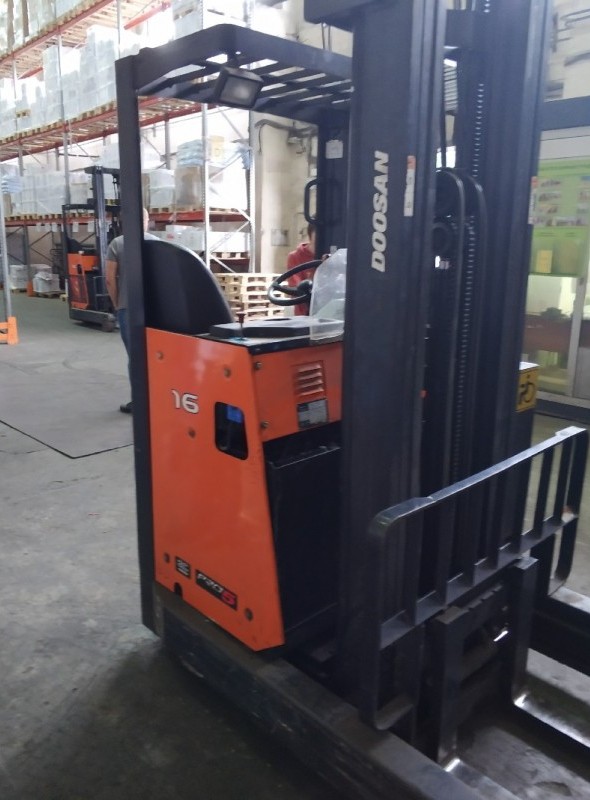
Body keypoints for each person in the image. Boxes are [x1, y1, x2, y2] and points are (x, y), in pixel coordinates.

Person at [106, 208, 157, 414]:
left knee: (135, 358)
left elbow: (110, 279)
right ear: (146, 220)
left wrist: (117, 303)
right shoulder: (158, 244)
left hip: (128, 308)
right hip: (154, 310)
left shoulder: (117, 244)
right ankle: (159, 398)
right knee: (155, 356)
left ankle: (139, 401)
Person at [286, 223, 318, 316]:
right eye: (318, 233)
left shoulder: (333, 257)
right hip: (304, 314)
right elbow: (297, 289)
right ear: (310, 234)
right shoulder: (295, 257)